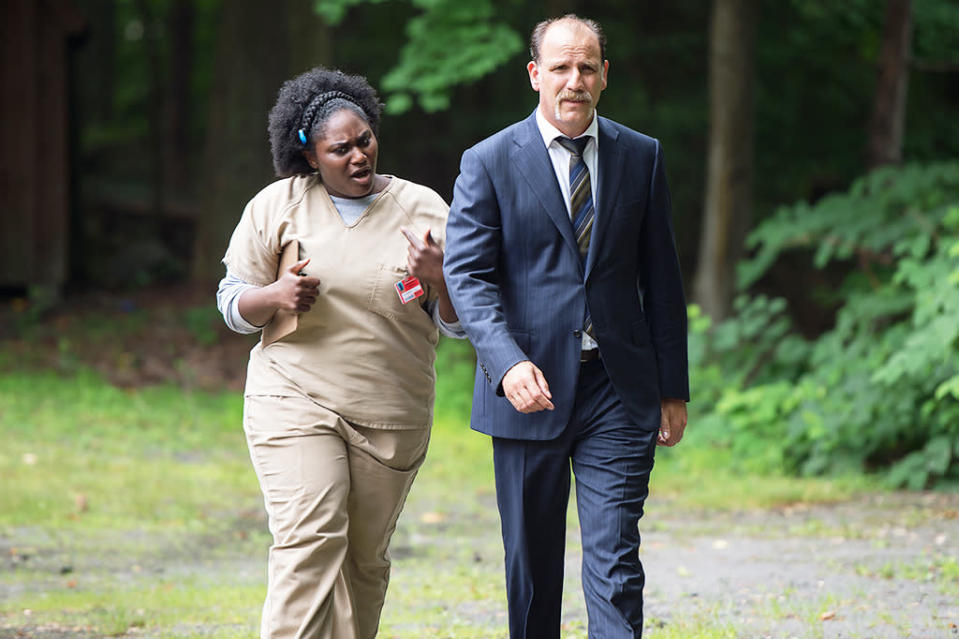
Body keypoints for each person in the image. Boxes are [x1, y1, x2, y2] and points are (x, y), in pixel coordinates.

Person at [442, 15, 689, 638]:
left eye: (586, 67)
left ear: (605, 75)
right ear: (535, 76)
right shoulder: (489, 162)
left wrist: (672, 386)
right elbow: (468, 277)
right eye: (560, 67)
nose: (573, 81)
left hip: (618, 386)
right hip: (529, 390)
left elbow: (662, 279)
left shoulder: (641, 155)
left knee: (615, 565)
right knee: (532, 570)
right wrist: (507, 361)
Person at [216, 67, 462, 639]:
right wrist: (275, 295)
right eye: (340, 149)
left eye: (365, 140)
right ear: (309, 156)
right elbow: (231, 304)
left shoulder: (423, 209)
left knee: (363, 564)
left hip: (390, 413)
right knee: (311, 539)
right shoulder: (277, 205)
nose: (358, 157)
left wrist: (441, 278)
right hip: (294, 397)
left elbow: (461, 328)